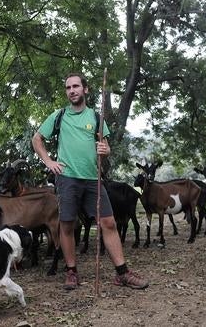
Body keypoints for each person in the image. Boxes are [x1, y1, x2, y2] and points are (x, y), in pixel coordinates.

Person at [31, 73, 149, 290]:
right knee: (66, 225)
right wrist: (49, 162)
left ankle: (122, 273)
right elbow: (37, 139)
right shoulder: (59, 115)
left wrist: (105, 150)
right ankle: (71, 272)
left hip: (92, 179)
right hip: (67, 179)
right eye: (68, 87)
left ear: (85, 89)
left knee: (109, 223)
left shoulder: (96, 117)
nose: (72, 90)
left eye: (76, 86)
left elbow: (104, 147)